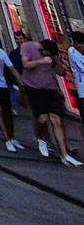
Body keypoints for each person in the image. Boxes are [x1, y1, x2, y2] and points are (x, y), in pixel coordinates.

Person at [19, 36, 82, 166]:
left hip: (50, 88)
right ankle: (39, 136)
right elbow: (25, 64)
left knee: (57, 120)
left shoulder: (52, 56)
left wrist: (59, 63)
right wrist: (41, 61)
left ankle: (64, 154)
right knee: (42, 119)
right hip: (33, 88)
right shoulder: (28, 47)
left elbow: (61, 73)